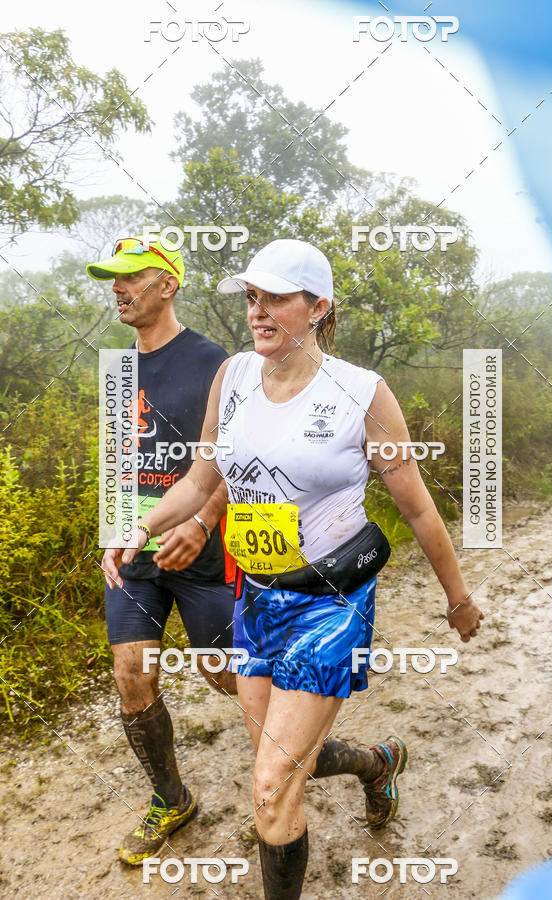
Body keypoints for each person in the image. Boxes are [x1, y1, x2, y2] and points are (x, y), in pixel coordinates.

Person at [103, 238, 483, 897]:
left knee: (271, 787)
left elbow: (418, 509)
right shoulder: (234, 378)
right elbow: (201, 480)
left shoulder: (361, 393)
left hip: (331, 603)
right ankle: (377, 764)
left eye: (276, 298)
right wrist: (142, 527)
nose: (258, 311)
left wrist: (458, 598)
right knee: (279, 765)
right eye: (252, 298)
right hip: (257, 598)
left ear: (318, 307)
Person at [89, 236, 237, 865]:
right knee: (132, 674)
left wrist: (202, 522)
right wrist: (113, 533)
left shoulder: (215, 361)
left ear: (168, 285)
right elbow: (120, 461)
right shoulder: (117, 369)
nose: (117, 289)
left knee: (232, 678)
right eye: (113, 278)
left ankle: (350, 760)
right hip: (137, 555)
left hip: (204, 554)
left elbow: (233, 458)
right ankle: (171, 800)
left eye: (130, 277)